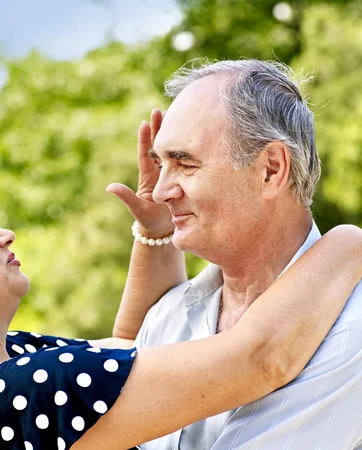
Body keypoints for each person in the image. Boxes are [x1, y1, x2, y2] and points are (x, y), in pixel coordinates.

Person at [0, 169, 362, 450]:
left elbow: (129, 358)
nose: (3, 233)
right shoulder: (20, 393)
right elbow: (259, 359)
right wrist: (347, 239)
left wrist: (153, 236)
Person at [107, 59, 362, 450]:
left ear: (271, 170)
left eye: (185, 163)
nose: (159, 192)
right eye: (161, 165)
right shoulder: (167, 315)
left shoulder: (352, 327)